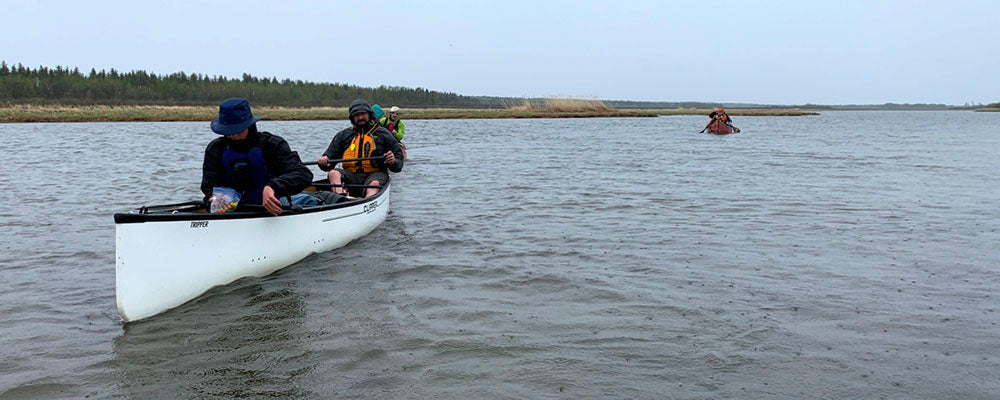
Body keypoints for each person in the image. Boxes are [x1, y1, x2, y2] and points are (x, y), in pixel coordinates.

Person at [201, 98, 324, 216]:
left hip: (275, 208)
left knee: (306, 200)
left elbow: (303, 174)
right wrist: (211, 200)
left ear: (249, 125)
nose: (233, 134)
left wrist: (272, 187)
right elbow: (209, 187)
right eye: (229, 130)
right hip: (234, 211)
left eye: (238, 129)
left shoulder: (272, 144)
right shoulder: (215, 149)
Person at [317, 99, 403, 198]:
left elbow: (398, 164)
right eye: (356, 115)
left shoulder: (383, 134)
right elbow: (329, 161)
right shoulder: (344, 135)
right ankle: (341, 198)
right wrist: (324, 161)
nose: (360, 117)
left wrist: (392, 162)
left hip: (375, 174)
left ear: (369, 115)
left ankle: (369, 200)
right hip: (351, 176)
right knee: (333, 173)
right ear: (352, 118)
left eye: (363, 114)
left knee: (374, 184)